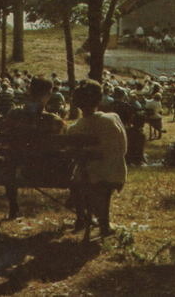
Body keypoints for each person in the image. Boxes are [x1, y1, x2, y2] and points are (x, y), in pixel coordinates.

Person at [67, 80, 127, 237]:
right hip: (113, 172)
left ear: (77, 103)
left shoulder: (74, 129)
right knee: (97, 176)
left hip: (83, 177)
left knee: (83, 173)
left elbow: (72, 155)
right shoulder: (112, 118)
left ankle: (83, 217)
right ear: (99, 99)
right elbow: (123, 148)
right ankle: (103, 223)